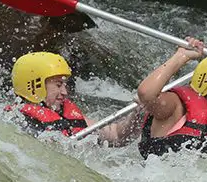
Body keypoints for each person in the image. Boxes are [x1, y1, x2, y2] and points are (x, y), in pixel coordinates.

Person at [8, 51, 139, 146]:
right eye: (58, 85)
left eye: (65, 85)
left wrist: (139, 112)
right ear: (34, 86)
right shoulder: (17, 122)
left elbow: (116, 135)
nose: (65, 92)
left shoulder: (65, 113)